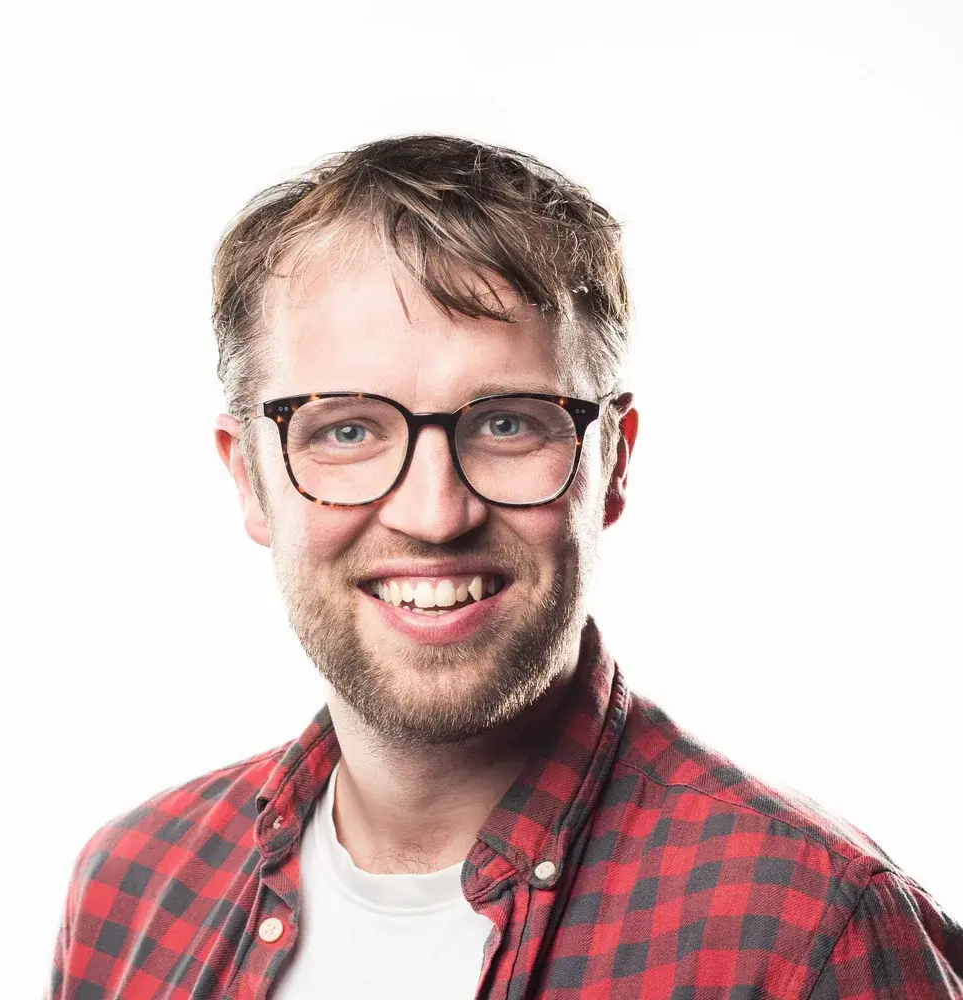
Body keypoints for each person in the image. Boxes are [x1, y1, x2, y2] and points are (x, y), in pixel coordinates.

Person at [47, 134, 963, 1000]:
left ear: (613, 464)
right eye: (349, 430)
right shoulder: (130, 892)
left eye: (508, 423)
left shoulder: (813, 933)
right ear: (249, 478)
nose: (435, 514)